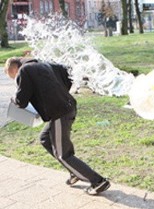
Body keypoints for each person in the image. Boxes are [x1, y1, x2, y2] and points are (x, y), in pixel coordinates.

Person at [3, 57, 111, 195]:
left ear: (14, 69)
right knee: (45, 138)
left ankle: (98, 181)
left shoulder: (24, 71)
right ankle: (74, 171)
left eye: (13, 77)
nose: (15, 80)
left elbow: (21, 101)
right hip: (65, 108)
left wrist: (14, 99)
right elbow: (67, 78)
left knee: (63, 154)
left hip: (60, 113)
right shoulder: (44, 64)